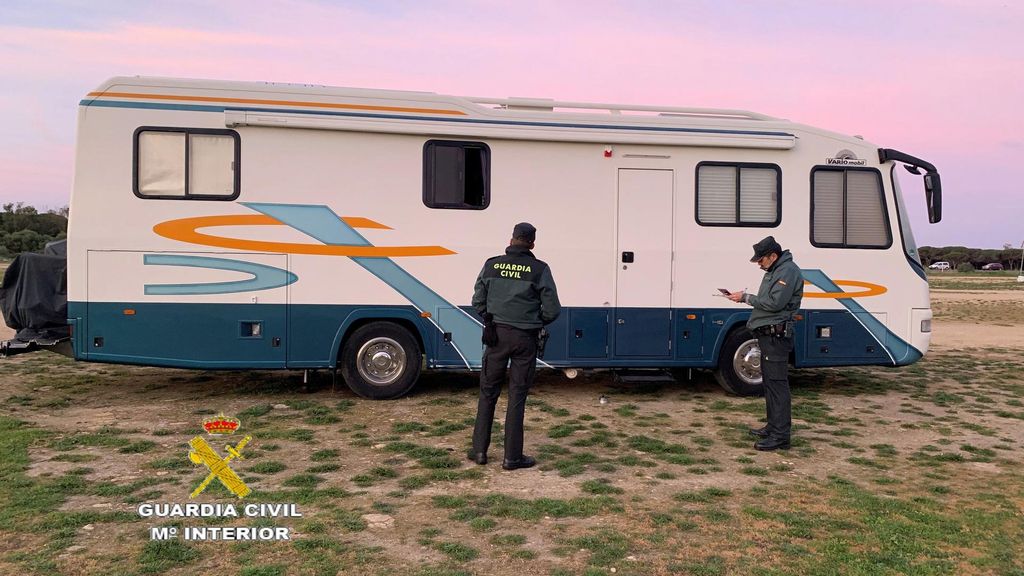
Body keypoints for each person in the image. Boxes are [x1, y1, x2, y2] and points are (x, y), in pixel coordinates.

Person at [469, 222, 561, 470]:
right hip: (525, 339)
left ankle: (479, 451)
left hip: (496, 337)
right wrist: (534, 320)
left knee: (488, 393)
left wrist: (489, 317)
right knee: (517, 396)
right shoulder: (539, 269)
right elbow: (553, 309)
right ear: (532, 243)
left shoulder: (492, 264)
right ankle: (512, 457)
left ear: (511, 240)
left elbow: (477, 300)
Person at [727, 236, 803, 451]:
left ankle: (780, 436)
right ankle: (773, 427)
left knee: (777, 385)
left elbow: (774, 303)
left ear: (773, 256)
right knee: (770, 383)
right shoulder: (776, 270)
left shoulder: (787, 271)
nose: (759, 264)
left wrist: (745, 298)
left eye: (761, 260)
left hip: (776, 337)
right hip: (769, 336)